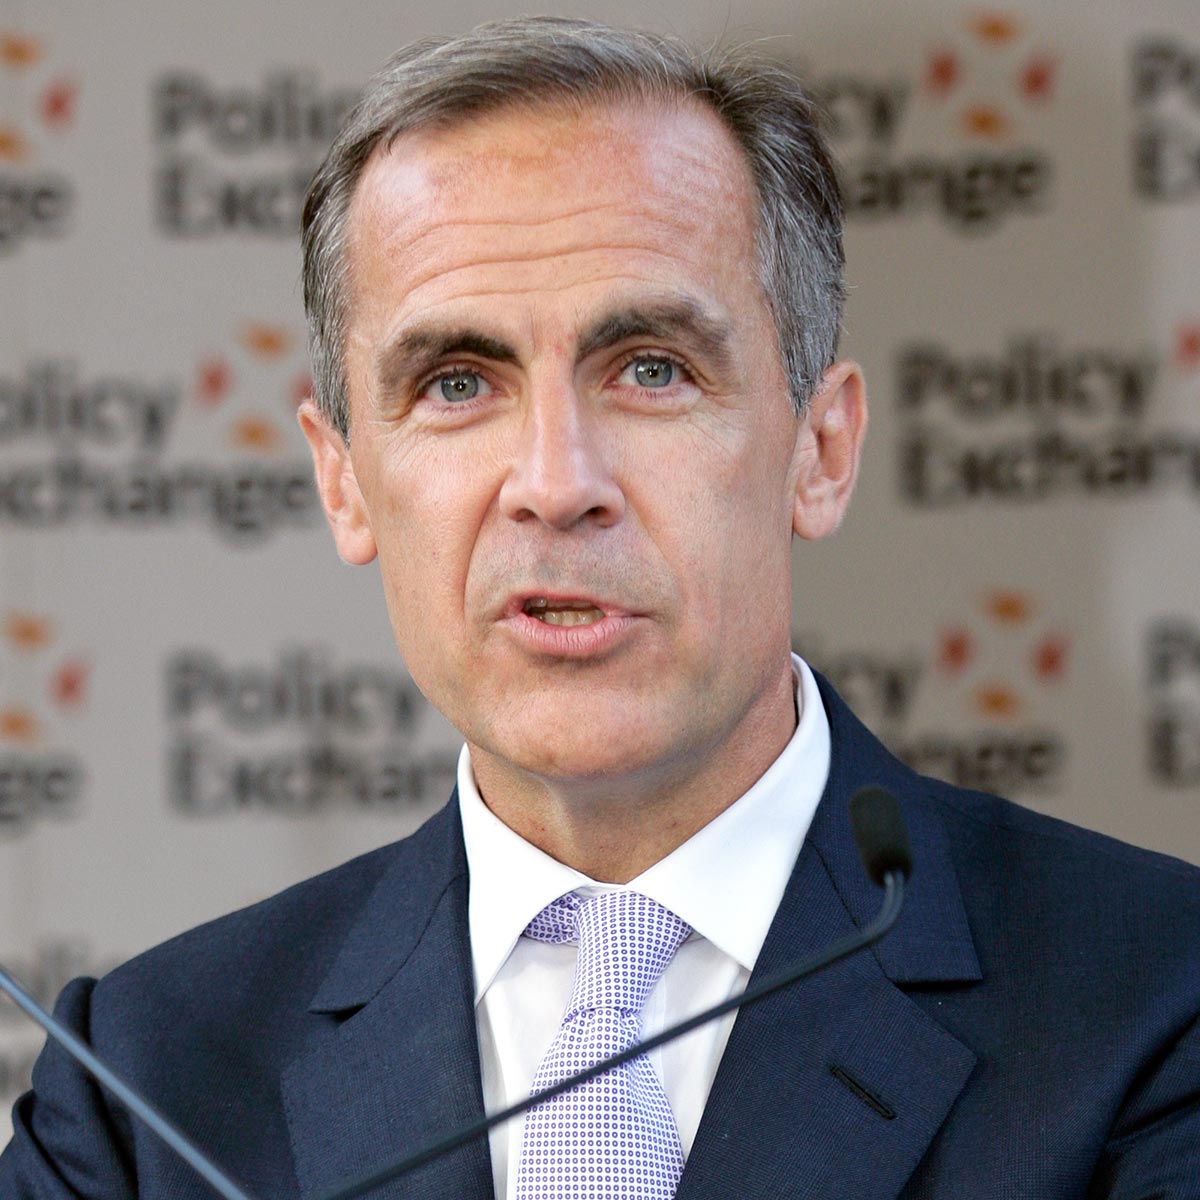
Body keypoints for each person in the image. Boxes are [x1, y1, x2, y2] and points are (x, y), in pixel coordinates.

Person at [3, 16, 1199, 1199]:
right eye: (458, 383)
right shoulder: (142, 1093)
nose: (557, 483)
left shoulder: (1157, 999)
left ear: (819, 452)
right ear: (343, 480)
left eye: (651, 369)